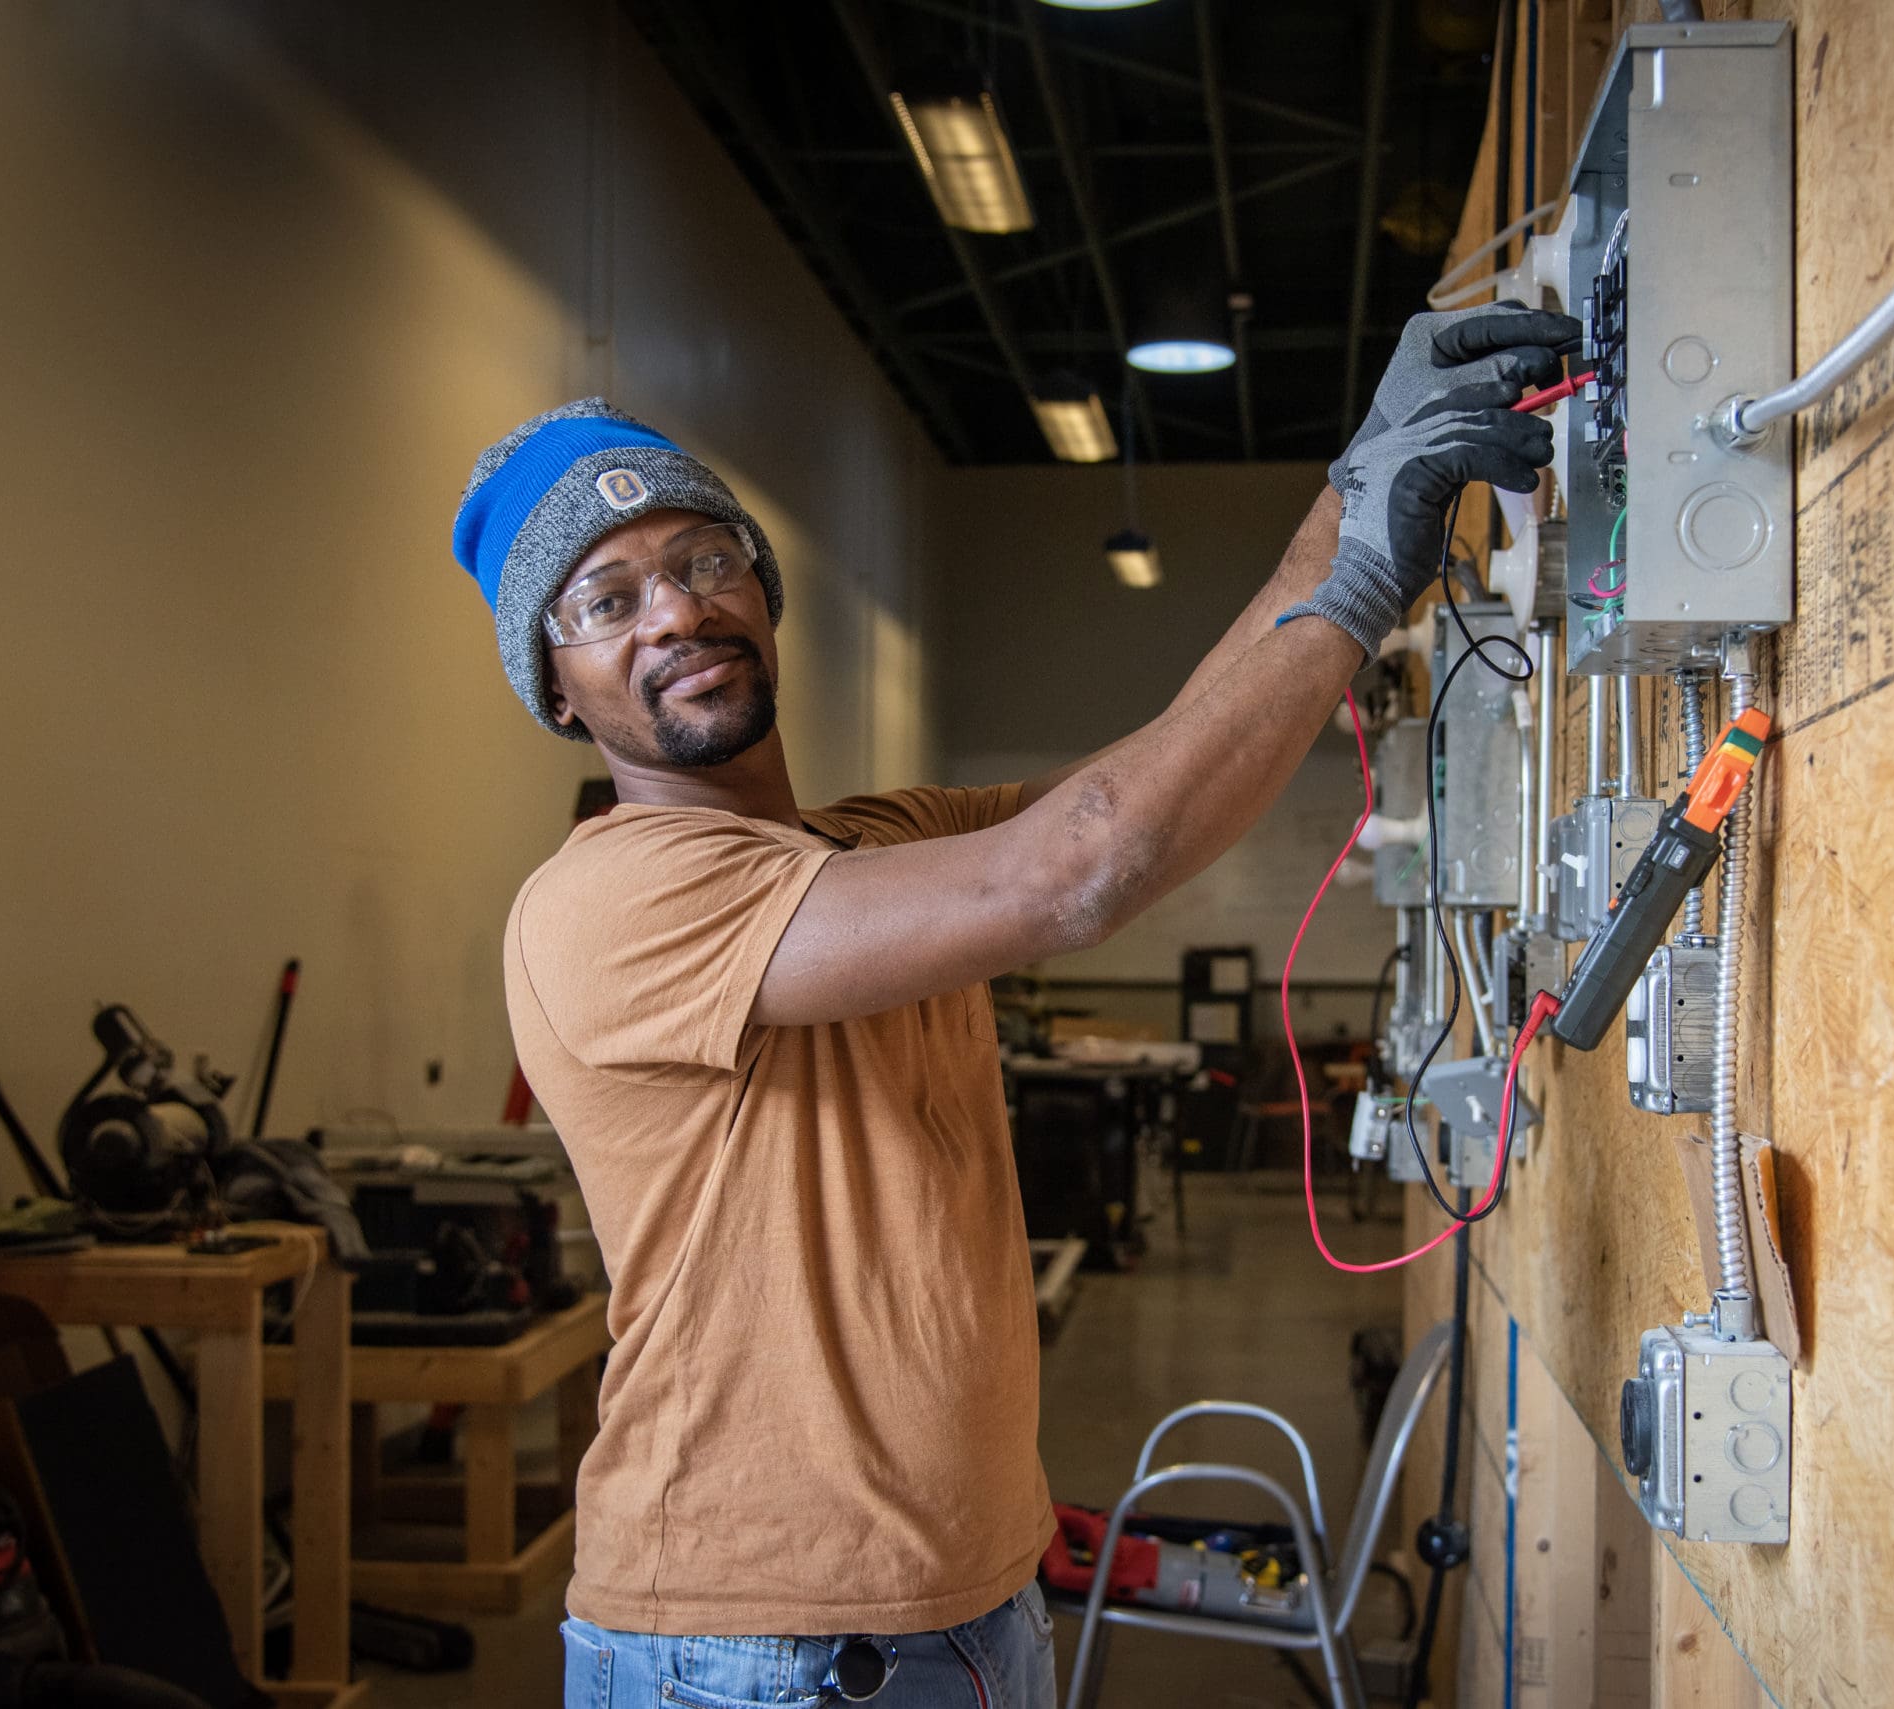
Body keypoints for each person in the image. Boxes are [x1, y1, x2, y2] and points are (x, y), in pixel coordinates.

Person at [449, 300, 1579, 1709]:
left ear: (760, 586)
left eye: (701, 557)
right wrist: (1356, 573)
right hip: (758, 1644)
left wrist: (1347, 492)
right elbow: (1080, 868)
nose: (675, 608)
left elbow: (1154, 780)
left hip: (963, 1602)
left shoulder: (873, 838)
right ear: (556, 687)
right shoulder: (608, 899)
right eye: (606, 601)